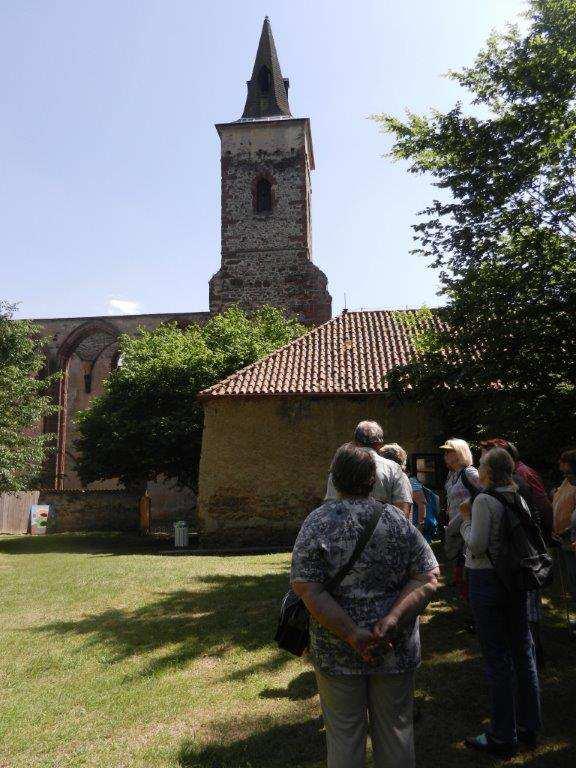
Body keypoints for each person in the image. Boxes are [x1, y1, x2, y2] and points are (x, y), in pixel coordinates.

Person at [292, 443, 439, 768]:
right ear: (373, 480)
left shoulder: (317, 522)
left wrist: (352, 634)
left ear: (335, 479)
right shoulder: (396, 520)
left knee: (344, 737)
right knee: (396, 733)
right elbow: (428, 576)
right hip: (393, 646)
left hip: (337, 650)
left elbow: (307, 587)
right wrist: (391, 621)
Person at [460, 447, 541, 757]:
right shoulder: (518, 495)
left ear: (490, 472)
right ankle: (530, 725)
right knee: (523, 652)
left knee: (497, 658)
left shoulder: (484, 501)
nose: (478, 466)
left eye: (481, 463)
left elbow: (478, 546)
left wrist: (466, 521)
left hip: (488, 580)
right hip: (516, 580)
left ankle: (502, 734)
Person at [325, 422, 412, 517]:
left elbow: (330, 506)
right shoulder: (394, 469)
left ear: (356, 442)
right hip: (382, 529)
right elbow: (402, 510)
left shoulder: (340, 466)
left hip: (345, 528)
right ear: (379, 444)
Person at [479, 438, 553, 539]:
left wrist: (547, 534)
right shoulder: (510, 477)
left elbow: (542, 504)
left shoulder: (520, 475)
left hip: (532, 538)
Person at [440, 438, 482, 596]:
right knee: (459, 562)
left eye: (448, 452)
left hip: (469, 526)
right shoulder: (451, 475)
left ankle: (473, 604)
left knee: (469, 565)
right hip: (455, 527)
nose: (445, 455)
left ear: (459, 454)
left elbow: (484, 494)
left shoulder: (470, 472)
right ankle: (467, 599)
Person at [552, 449, 576, 632]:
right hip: (567, 541)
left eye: (568, 471)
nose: (567, 476)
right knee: (573, 582)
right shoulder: (567, 482)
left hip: (571, 539)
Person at [379, 443, 428, 531]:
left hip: (401, 528)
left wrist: (420, 526)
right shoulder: (386, 479)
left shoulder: (407, 479)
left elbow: (422, 502)